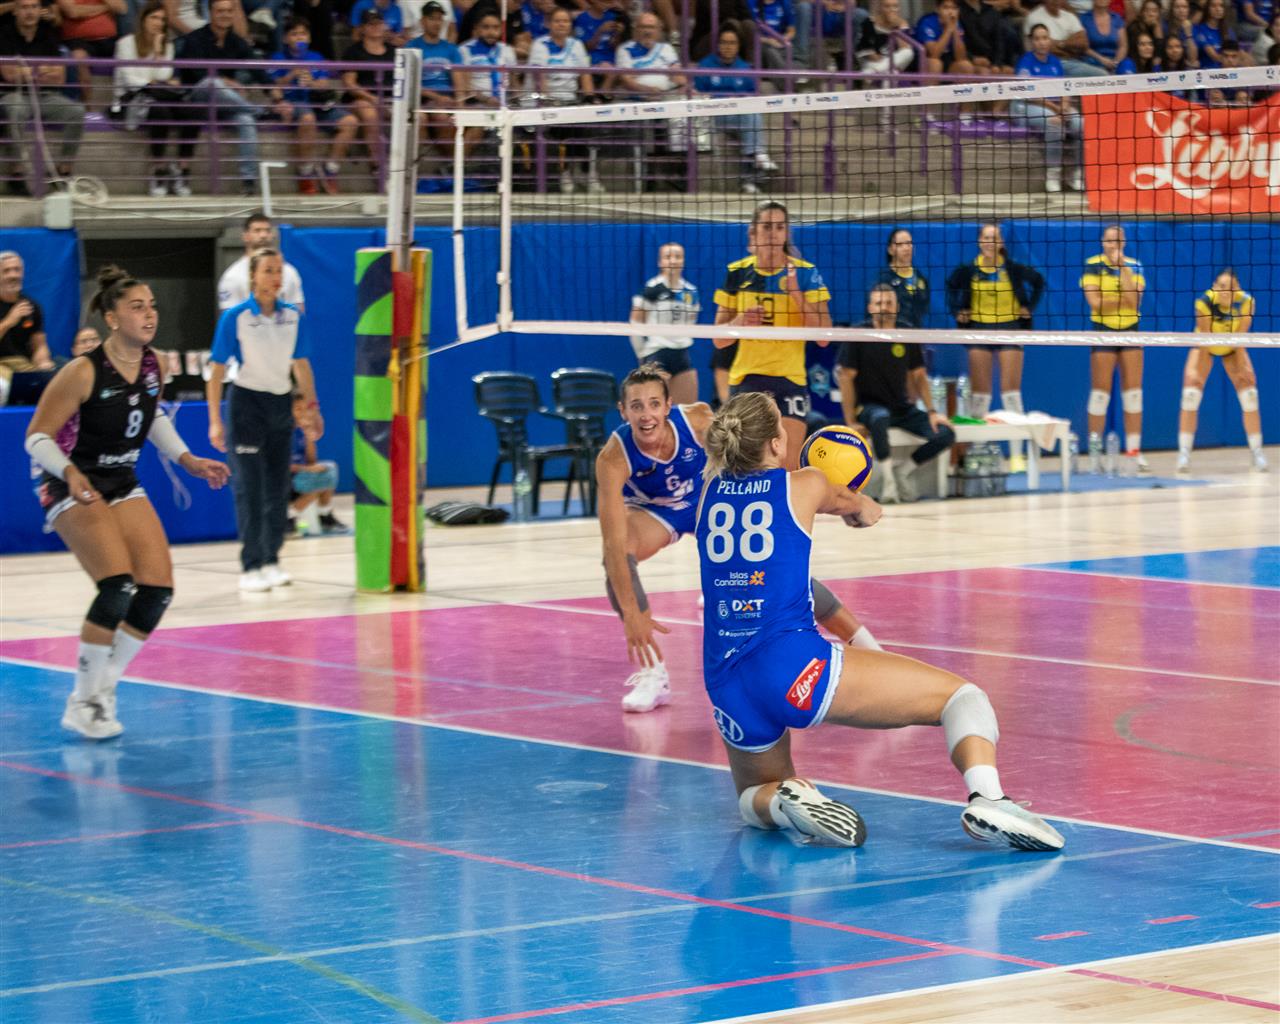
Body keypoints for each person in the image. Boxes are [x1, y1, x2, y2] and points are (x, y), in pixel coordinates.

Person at [696, 391, 1064, 851]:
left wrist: (860, 635)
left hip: (727, 680)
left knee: (753, 795)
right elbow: (854, 505)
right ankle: (990, 799)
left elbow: (796, 577)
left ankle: (788, 803)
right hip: (794, 667)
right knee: (963, 699)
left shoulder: (707, 495)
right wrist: (863, 507)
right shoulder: (806, 483)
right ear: (775, 443)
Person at [597, 365, 882, 713]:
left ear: (668, 405)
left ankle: (869, 647)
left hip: (711, 498)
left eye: (654, 404)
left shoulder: (698, 421)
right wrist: (632, 614)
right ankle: (652, 674)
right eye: (636, 406)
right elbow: (612, 544)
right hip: (657, 512)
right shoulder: (613, 457)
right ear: (623, 411)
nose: (646, 415)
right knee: (619, 556)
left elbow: (742, 451)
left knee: (775, 566)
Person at [23, 265, 229, 739]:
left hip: (119, 479)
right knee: (116, 587)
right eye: (137, 307)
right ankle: (84, 701)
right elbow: (36, 437)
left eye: (152, 306)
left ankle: (103, 687)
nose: (149, 314)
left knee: (156, 591)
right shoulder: (82, 371)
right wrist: (69, 472)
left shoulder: (155, 364)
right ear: (112, 319)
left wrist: (187, 459)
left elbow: (150, 417)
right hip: (69, 480)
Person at [206, 248, 324, 592]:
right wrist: (215, 421)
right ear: (253, 277)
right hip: (246, 405)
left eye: (278, 271)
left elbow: (301, 365)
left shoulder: (293, 317)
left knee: (277, 486)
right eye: (268, 270)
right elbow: (215, 371)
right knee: (251, 488)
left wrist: (312, 409)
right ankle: (251, 565)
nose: (275, 277)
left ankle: (272, 559)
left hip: (280, 404)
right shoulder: (236, 317)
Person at [714, 201, 832, 470]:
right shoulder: (737, 272)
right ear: (753, 232)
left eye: (780, 227)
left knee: (786, 468)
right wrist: (741, 322)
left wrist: (795, 293)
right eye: (766, 226)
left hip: (789, 380)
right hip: (747, 379)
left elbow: (824, 336)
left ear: (786, 233)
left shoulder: (805, 273)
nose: (773, 234)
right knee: (746, 466)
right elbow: (719, 339)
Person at [837, 284, 954, 504]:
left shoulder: (905, 332)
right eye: (879, 303)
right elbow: (845, 377)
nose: (884, 307)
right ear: (870, 307)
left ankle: (904, 471)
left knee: (945, 434)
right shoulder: (858, 335)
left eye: (889, 303)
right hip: (868, 407)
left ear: (897, 306)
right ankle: (889, 484)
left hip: (901, 408)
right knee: (879, 418)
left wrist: (932, 412)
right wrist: (851, 421)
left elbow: (919, 375)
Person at [946, 224, 1045, 452]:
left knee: (1011, 394)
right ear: (979, 241)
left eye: (995, 238)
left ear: (1001, 242)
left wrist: (1029, 307)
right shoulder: (969, 270)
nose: (990, 242)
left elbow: (1039, 281)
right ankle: (978, 450)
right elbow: (951, 287)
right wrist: (957, 311)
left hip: (1009, 328)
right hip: (979, 328)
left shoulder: (1012, 268)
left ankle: (1017, 454)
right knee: (980, 396)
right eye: (986, 237)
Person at [176, 0, 276, 196]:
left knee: (246, 120)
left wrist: (274, 92)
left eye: (229, 11)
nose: (225, 15)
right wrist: (226, 81)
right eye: (220, 11)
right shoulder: (195, 38)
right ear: (211, 13)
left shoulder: (235, 40)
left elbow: (256, 68)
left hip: (223, 103)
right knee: (212, 83)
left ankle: (248, 181)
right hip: (196, 99)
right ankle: (259, 111)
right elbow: (197, 74)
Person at [1178, 270, 1268, 476]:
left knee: (1249, 393)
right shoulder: (1204, 303)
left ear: (1237, 289)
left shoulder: (1246, 302)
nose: (1226, 291)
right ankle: (1184, 453)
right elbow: (1205, 340)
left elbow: (1241, 338)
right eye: (1222, 286)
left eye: (1231, 287)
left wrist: (1243, 368)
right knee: (1191, 392)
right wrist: (1197, 374)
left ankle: (1257, 453)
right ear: (1214, 286)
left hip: (1232, 347)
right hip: (1205, 345)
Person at [0, 0, 87, 195]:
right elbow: (10, 75)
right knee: (14, 110)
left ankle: (62, 171)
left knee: (77, 112)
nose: (29, 12)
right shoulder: (4, 34)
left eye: (34, 7)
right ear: (15, 11)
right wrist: (42, 70)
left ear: (40, 10)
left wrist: (26, 70)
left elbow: (59, 78)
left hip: (45, 94)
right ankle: (17, 173)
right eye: (24, 7)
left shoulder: (49, 33)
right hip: (13, 93)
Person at [1080, 224, 1147, 474]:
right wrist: (1122, 299)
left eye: (1118, 241)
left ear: (1124, 242)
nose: (1113, 245)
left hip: (1130, 331)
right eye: (1109, 241)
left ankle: (1134, 452)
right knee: (1100, 394)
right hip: (1103, 332)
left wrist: (1122, 269)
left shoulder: (1134, 266)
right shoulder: (1092, 265)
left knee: (1133, 394)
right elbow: (1095, 303)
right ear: (1102, 242)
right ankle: (1095, 454)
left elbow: (1135, 301)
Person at [270, 17, 360, 195]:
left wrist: (311, 82)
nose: (299, 37)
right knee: (307, 118)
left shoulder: (316, 57)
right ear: (285, 38)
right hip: (294, 104)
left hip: (318, 104)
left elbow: (324, 84)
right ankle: (305, 173)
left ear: (309, 37)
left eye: (303, 34)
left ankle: (331, 170)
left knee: (350, 121)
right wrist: (291, 75)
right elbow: (273, 86)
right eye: (294, 34)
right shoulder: (277, 58)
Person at [113, 0, 189, 198]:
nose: (158, 23)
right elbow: (131, 81)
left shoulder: (167, 46)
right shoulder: (125, 44)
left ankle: (182, 168)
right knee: (160, 111)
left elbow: (162, 76)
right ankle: (158, 170)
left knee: (192, 110)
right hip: (130, 99)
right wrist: (153, 78)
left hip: (156, 94)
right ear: (143, 20)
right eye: (154, 17)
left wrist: (157, 52)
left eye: (162, 19)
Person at [692, 21, 777, 196]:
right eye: (724, 42)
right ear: (718, 45)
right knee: (751, 118)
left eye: (732, 43)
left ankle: (750, 179)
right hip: (713, 117)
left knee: (751, 115)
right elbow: (697, 95)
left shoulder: (745, 68)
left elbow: (753, 98)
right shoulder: (706, 65)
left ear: (738, 46)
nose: (728, 46)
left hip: (740, 118)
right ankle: (758, 158)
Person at [527, 7, 599, 194]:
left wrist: (590, 99)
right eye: (557, 21)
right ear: (550, 24)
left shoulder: (576, 45)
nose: (562, 24)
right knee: (565, 129)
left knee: (588, 127)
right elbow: (540, 79)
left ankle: (587, 173)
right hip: (547, 102)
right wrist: (550, 102)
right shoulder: (540, 45)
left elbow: (585, 75)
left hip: (572, 101)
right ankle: (565, 172)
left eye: (565, 21)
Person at [615, 12, 687, 191]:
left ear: (659, 30)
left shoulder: (666, 49)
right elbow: (627, 81)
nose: (647, 31)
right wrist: (647, 91)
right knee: (652, 123)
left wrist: (683, 85)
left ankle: (679, 174)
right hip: (639, 102)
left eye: (651, 27)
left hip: (666, 100)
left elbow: (677, 74)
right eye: (644, 27)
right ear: (636, 29)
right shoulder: (625, 50)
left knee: (683, 116)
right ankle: (650, 178)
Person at [630, 243, 701, 406]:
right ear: (660, 262)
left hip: (682, 354)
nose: (673, 261)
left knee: (686, 410)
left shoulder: (690, 291)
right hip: (657, 353)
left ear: (683, 261)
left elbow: (692, 321)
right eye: (668, 257)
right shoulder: (652, 289)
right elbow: (635, 324)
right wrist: (642, 355)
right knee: (655, 410)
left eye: (678, 257)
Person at [342, 8, 399, 184]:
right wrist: (372, 98)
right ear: (362, 28)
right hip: (360, 99)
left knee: (411, 116)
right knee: (370, 114)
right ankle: (378, 166)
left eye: (378, 23)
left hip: (390, 99)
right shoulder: (353, 52)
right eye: (370, 24)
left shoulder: (395, 52)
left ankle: (404, 166)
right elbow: (349, 83)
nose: (375, 27)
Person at [406, 2, 464, 161]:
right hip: (423, 98)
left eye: (439, 19)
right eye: (432, 18)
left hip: (447, 99)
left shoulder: (451, 49)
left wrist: (460, 103)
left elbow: (458, 79)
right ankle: (423, 162)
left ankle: (450, 162)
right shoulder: (412, 47)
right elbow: (411, 82)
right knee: (433, 118)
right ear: (422, 21)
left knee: (446, 117)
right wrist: (436, 98)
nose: (437, 23)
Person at [218, 212, 306, 311]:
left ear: (272, 235)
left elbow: (298, 311)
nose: (263, 235)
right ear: (245, 236)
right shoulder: (232, 276)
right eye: (257, 230)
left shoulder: (289, 272)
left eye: (267, 230)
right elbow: (228, 315)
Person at [288, 389, 348, 533]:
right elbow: (280, 466)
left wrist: (309, 438)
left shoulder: (300, 431)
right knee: (320, 481)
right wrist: (308, 469)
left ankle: (324, 514)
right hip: (284, 479)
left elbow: (311, 460)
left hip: (300, 475)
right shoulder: (281, 432)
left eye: (305, 409)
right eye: (298, 409)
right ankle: (288, 517)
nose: (303, 413)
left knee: (330, 469)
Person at [0, 251, 55, 405]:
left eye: (17, 270)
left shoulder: (32, 306)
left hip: (22, 364)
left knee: (52, 386)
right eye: (6, 271)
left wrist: (43, 362)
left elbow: (40, 344)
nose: (13, 275)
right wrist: (9, 320)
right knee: (3, 388)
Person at [1022, 0, 1105, 78]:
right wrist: (1071, 46)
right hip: (1049, 63)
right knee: (1102, 75)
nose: (1056, 1)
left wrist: (1060, 44)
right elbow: (1046, 48)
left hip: (1076, 61)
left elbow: (1083, 43)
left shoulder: (1069, 16)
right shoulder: (1034, 17)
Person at [876, 227, 929, 329]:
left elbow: (923, 308)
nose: (906, 248)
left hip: (916, 333)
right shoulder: (883, 280)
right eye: (900, 244)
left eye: (909, 243)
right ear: (890, 250)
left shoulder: (920, 278)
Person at [915, 0, 976, 80]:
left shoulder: (956, 23)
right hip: (924, 61)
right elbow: (934, 54)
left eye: (954, 8)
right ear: (937, 9)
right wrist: (949, 29)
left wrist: (955, 30)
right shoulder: (927, 22)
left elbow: (961, 57)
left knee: (965, 66)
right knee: (935, 63)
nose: (950, 12)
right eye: (946, 8)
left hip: (946, 60)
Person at [1080, 0, 1126, 72]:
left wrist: (1116, 63)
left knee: (1127, 68)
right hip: (1092, 60)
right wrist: (1102, 60)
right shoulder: (1084, 19)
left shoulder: (1117, 18)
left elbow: (1123, 46)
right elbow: (1084, 47)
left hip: (1114, 60)